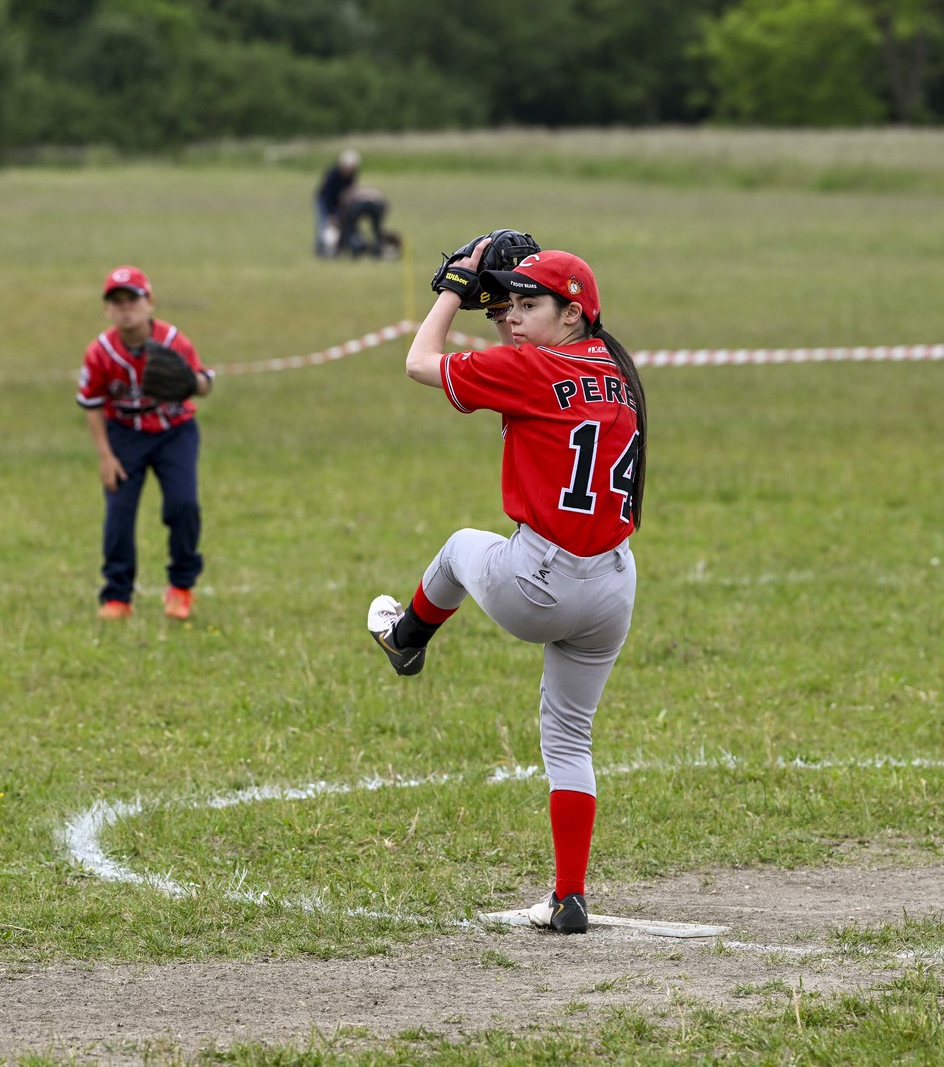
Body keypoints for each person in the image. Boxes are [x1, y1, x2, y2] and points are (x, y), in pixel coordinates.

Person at [367, 242, 648, 934]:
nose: (513, 318)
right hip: (614, 583)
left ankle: (406, 640)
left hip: (542, 580)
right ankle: (570, 894)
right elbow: (532, 357)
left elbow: (418, 362)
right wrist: (509, 302)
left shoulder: (529, 366)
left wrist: (454, 292)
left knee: (463, 546)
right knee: (569, 739)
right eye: (509, 307)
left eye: (529, 306)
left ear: (574, 312)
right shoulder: (618, 368)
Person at [76, 265, 215, 621]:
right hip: (125, 435)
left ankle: (181, 587)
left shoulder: (172, 342)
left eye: (133, 300)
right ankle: (117, 596)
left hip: (174, 431)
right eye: (117, 302)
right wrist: (106, 456)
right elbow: (92, 404)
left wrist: (188, 382)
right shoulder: (101, 351)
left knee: (183, 505)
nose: (126, 308)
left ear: (149, 301)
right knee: (119, 513)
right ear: (107, 308)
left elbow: (204, 384)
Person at [314, 149, 360, 257]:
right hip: (325, 201)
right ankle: (320, 250)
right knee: (323, 224)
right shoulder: (333, 175)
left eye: (352, 166)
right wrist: (330, 214)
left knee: (340, 225)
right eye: (349, 166)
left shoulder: (352, 175)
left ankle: (338, 249)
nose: (350, 168)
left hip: (340, 202)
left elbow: (350, 190)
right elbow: (327, 196)